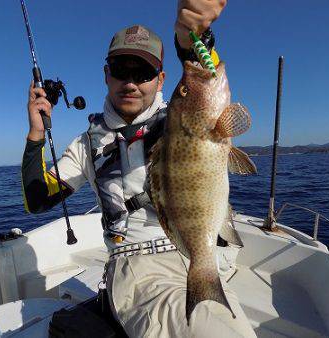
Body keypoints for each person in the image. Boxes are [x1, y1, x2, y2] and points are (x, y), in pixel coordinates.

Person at [21, 1, 256, 336]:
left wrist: (191, 36)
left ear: (160, 80)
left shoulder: (177, 119)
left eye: (143, 73)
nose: (130, 83)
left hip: (201, 251)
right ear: (106, 75)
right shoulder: (87, 145)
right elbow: (37, 199)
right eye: (121, 70)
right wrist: (36, 136)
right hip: (139, 268)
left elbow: (199, 70)